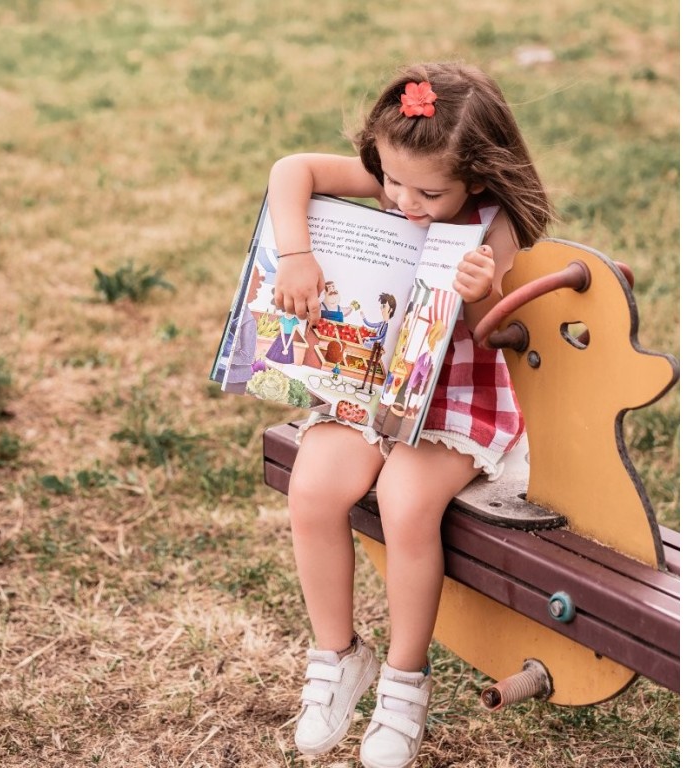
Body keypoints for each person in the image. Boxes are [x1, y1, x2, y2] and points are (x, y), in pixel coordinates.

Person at [266, 61, 554, 768]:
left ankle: (403, 680)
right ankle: (338, 656)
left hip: (457, 399)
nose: (405, 201)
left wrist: (486, 294)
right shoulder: (401, 175)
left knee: (402, 499)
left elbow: (505, 338)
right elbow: (290, 170)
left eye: (428, 192)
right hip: (371, 390)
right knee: (312, 488)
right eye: (393, 182)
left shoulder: (496, 224)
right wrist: (296, 254)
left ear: (478, 177)